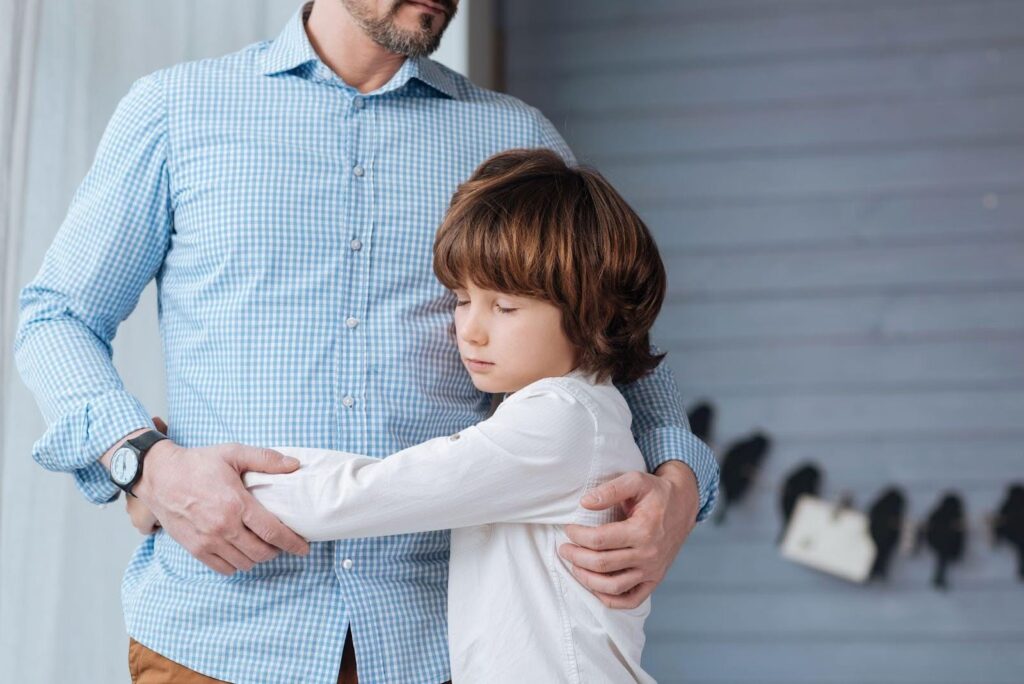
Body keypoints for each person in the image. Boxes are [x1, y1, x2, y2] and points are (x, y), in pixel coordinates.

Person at [14, 2, 719, 682]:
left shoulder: (514, 140)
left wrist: (680, 489)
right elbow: (56, 318)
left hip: (435, 649)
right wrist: (148, 467)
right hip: (216, 642)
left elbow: (614, 347)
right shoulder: (176, 109)